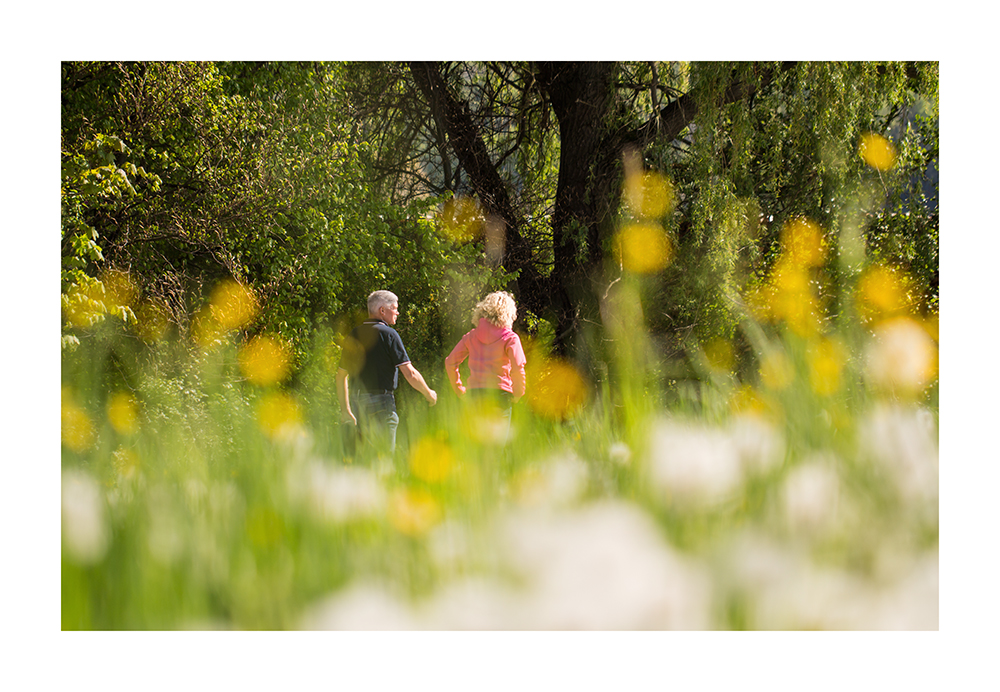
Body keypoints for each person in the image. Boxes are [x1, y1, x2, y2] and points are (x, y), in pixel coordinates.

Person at [337, 290, 437, 455]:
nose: (397, 312)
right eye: (394, 308)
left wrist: (345, 410)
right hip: (382, 405)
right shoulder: (389, 334)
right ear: (382, 311)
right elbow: (410, 374)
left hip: (357, 404)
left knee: (361, 459)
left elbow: (341, 376)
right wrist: (429, 393)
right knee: (383, 460)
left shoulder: (354, 334)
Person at [444, 291, 527, 442]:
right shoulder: (510, 338)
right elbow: (518, 368)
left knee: (477, 448)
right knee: (496, 448)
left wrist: (459, 390)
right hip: (500, 396)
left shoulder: (471, 336)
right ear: (509, 314)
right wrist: (518, 393)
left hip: (475, 395)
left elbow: (450, 362)